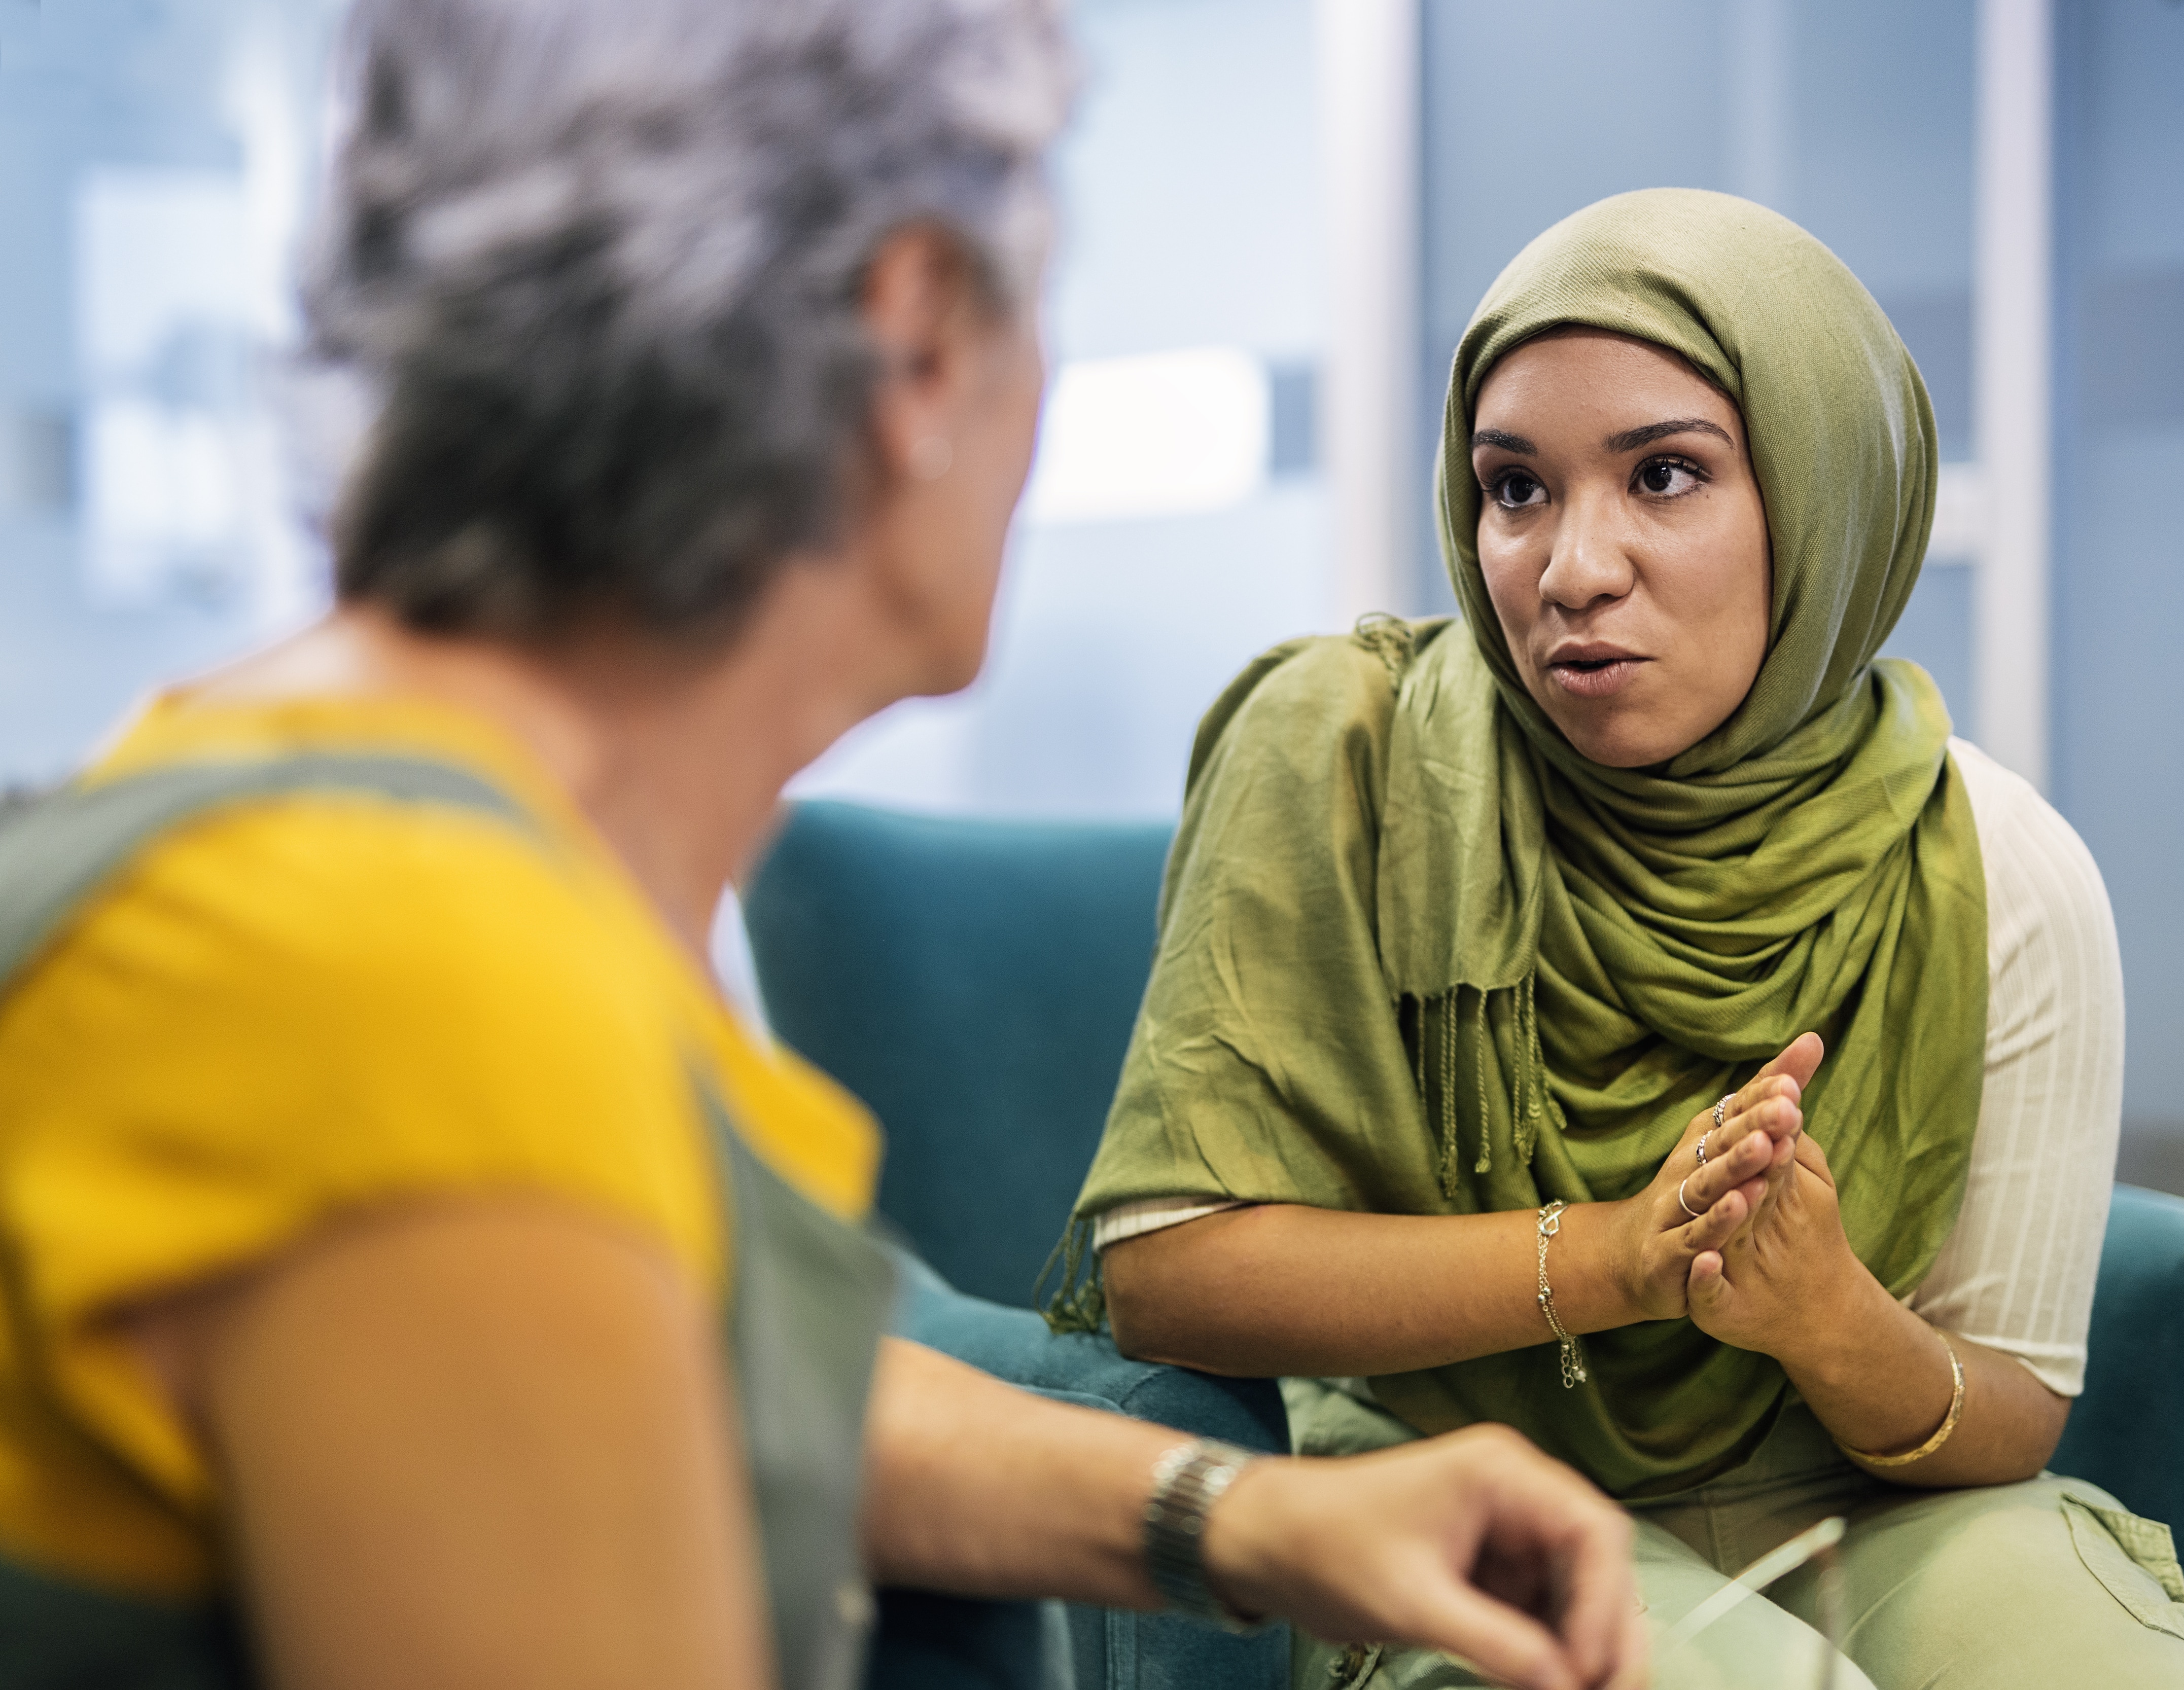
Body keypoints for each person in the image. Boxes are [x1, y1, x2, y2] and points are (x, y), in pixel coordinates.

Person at [0, 5, 1652, 1688]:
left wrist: (1238, 1518)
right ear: (921, 339)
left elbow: (711, 1372)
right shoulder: (421, 979)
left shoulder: (322, 811)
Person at [1054, 189, 2184, 1689]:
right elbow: (1173, 1272)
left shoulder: (1995, 868)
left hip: (1849, 1499)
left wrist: (1826, 1314)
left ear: (1825, 497)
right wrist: (1617, 1256)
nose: (1570, 570)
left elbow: (2004, 1413)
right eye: (1515, 489)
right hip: (1434, 1467)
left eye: (1665, 476)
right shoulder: (1341, 758)